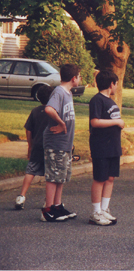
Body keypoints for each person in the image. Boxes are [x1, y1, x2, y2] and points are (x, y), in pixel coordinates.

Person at [41, 63, 81, 222]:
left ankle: (57, 206)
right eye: (79, 76)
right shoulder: (59, 92)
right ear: (73, 78)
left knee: (61, 176)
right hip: (55, 143)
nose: (80, 78)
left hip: (64, 144)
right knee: (53, 176)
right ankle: (47, 209)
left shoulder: (68, 93)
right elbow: (49, 109)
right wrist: (61, 123)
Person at [88, 71, 125, 226]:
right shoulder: (97, 100)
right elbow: (95, 122)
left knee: (110, 178)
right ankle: (96, 212)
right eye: (116, 84)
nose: (117, 87)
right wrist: (117, 123)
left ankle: (104, 209)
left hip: (113, 146)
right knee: (100, 178)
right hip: (101, 146)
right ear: (112, 84)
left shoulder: (111, 101)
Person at [15, 85, 54, 210]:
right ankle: (48, 201)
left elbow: (29, 130)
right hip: (50, 147)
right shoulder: (53, 112)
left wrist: (30, 146)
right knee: (51, 174)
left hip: (37, 145)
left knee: (30, 171)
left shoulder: (35, 111)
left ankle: (21, 196)